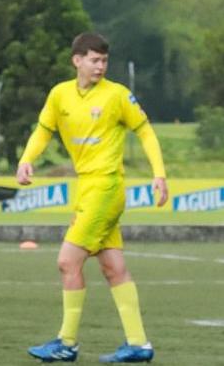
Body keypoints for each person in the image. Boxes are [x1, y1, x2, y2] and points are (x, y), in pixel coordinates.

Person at [20, 32, 168, 364]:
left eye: (104, 61)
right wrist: (26, 158)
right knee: (114, 268)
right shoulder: (60, 95)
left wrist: (159, 174)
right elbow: (44, 129)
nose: (100, 66)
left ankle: (67, 343)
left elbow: (145, 131)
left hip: (106, 188)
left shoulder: (117, 96)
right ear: (77, 60)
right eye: (94, 60)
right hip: (87, 187)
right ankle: (139, 344)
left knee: (67, 261)